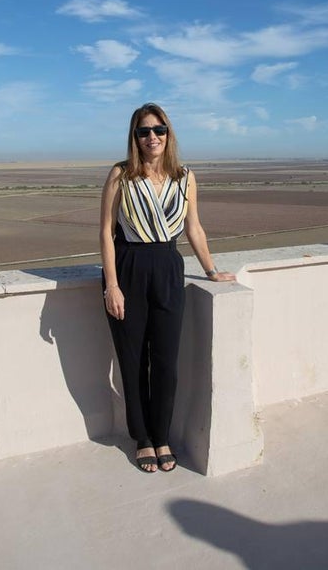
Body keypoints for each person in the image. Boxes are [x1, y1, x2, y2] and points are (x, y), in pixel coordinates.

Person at [100, 103, 236, 473]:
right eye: (144, 131)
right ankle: (142, 438)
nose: (152, 137)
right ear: (135, 137)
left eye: (158, 129)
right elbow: (106, 234)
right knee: (132, 361)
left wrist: (211, 269)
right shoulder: (121, 174)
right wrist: (112, 285)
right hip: (129, 267)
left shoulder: (185, 177)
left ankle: (162, 435)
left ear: (168, 133)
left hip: (168, 267)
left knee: (165, 362)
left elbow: (194, 228)